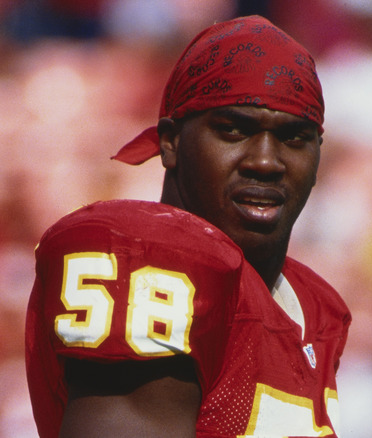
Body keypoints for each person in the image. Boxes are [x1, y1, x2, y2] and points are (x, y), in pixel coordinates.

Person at [25, 15, 351, 437]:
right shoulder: (150, 261)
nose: (266, 162)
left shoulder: (314, 307)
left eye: (294, 138)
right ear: (170, 142)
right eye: (234, 130)